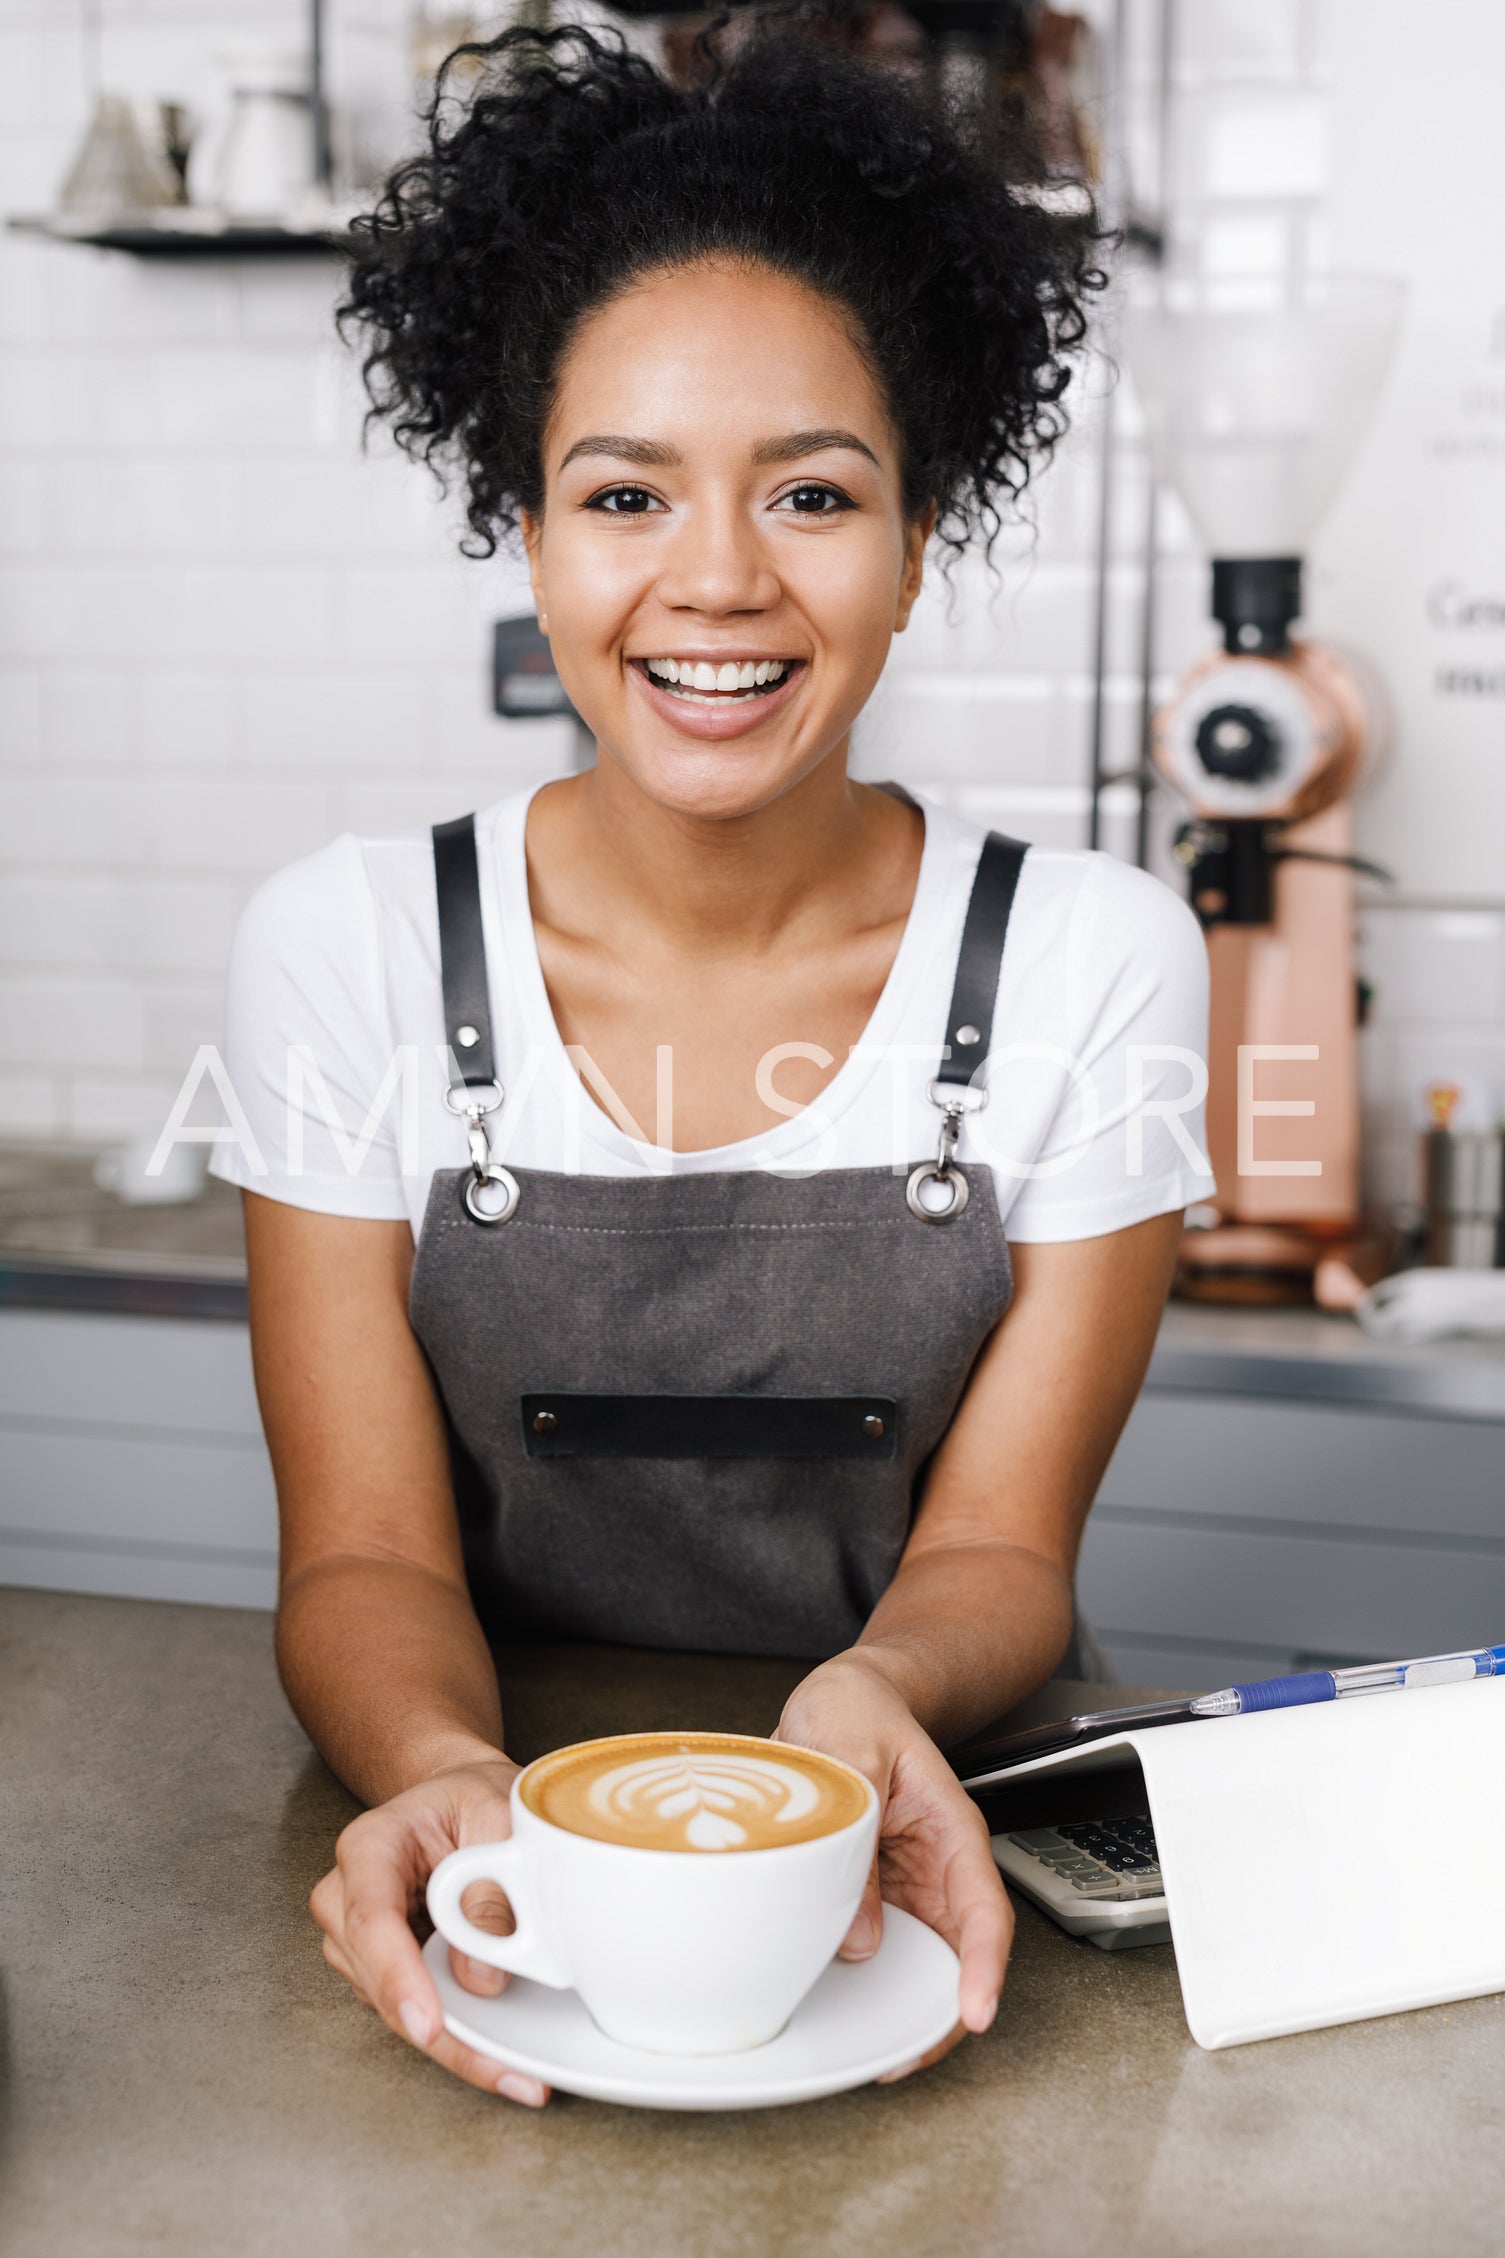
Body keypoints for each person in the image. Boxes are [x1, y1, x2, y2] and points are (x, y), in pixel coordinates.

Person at [213, 17, 1214, 2108]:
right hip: (504, 1873)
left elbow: (1001, 1552)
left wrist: (874, 1694)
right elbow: (367, 1559)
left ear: (923, 534)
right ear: (530, 526)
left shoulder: (1093, 962)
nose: (720, 580)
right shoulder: (351, 948)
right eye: (627, 492)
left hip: (919, 1859)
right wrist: (445, 1780)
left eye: (816, 493)